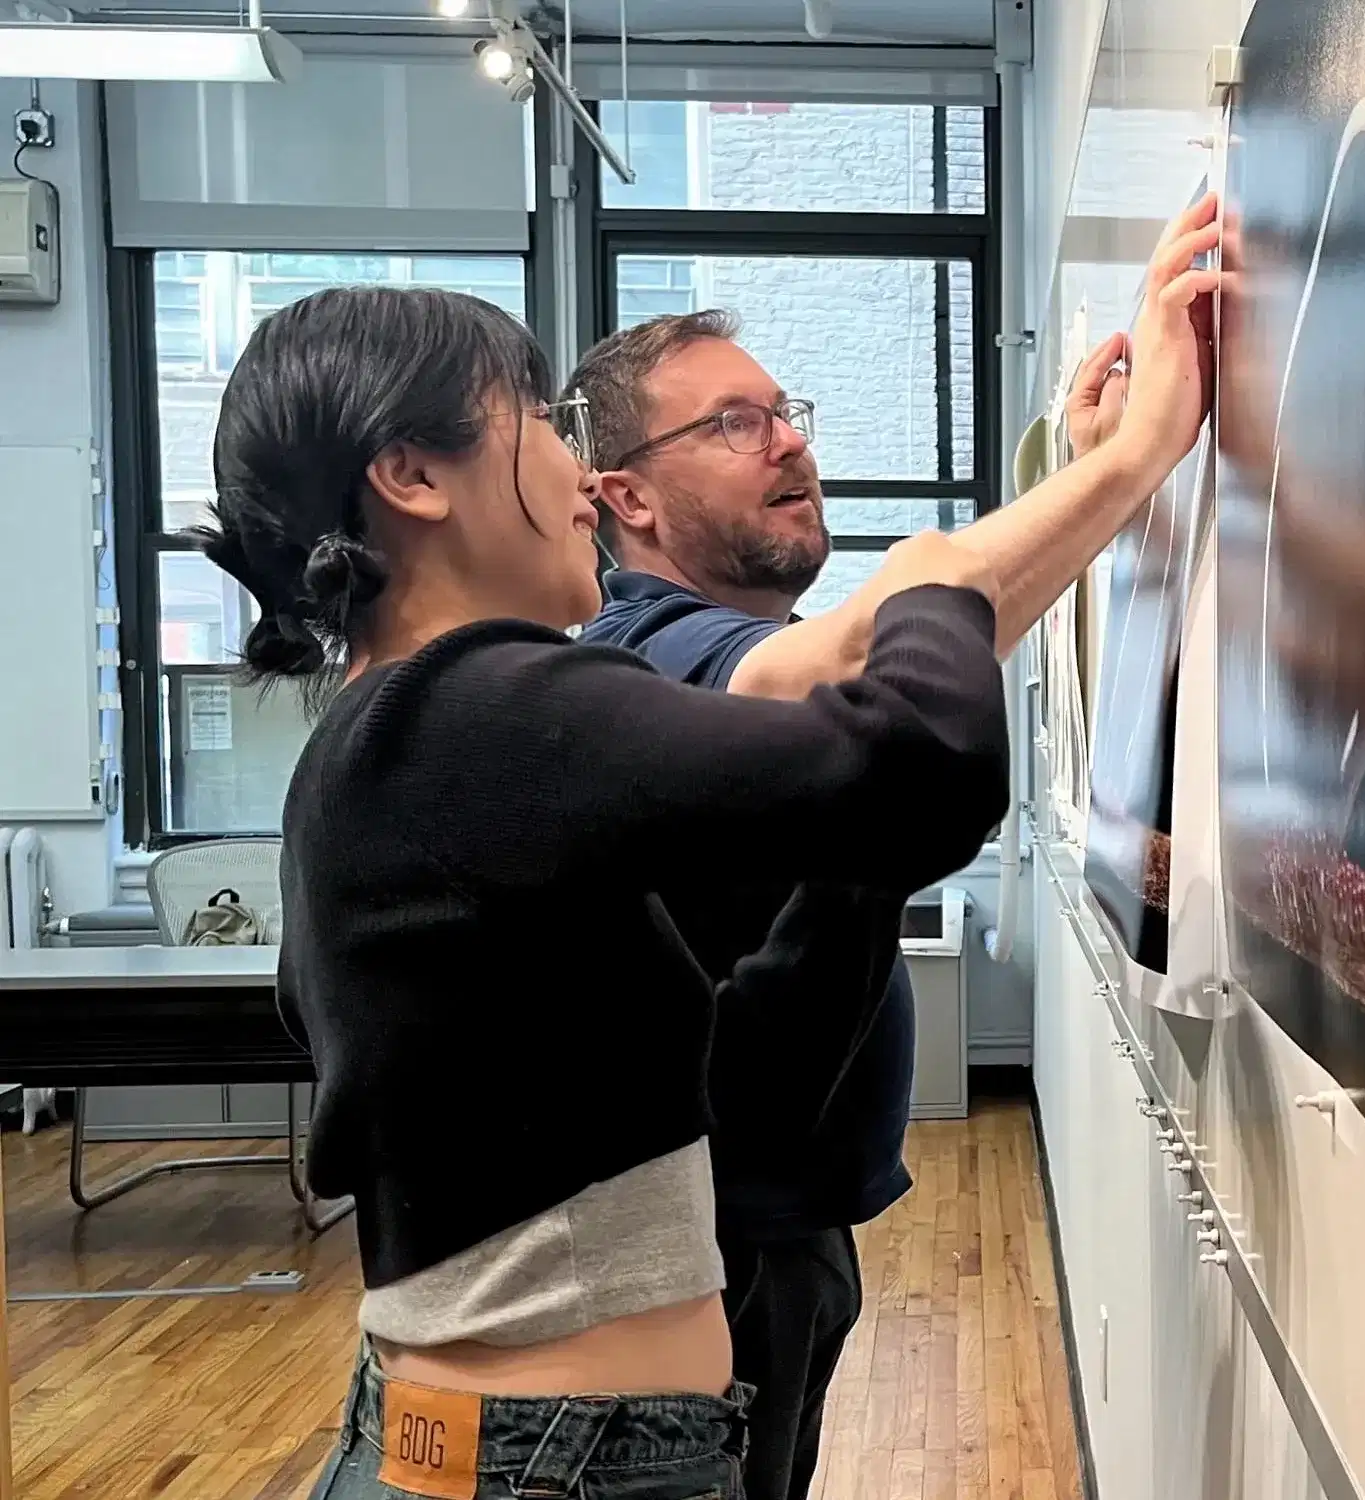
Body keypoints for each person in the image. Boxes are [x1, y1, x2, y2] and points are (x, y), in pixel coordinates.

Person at [193, 283, 1025, 1500]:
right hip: (559, 1466)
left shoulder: (374, 745)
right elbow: (922, 770)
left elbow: (707, 1087)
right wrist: (931, 586)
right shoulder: (477, 708)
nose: (583, 483)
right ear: (414, 475)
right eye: (536, 420)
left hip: (520, 1446)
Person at [560, 194, 1219, 1500]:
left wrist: (1074, 491)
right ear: (622, 494)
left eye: (786, 408)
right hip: (714, 1251)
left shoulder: (717, 658)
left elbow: (906, 691)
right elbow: (871, 653)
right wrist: (1136, 460)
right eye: (734, 424)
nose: (790, 442)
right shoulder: (651, 654)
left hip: (769, 1225)